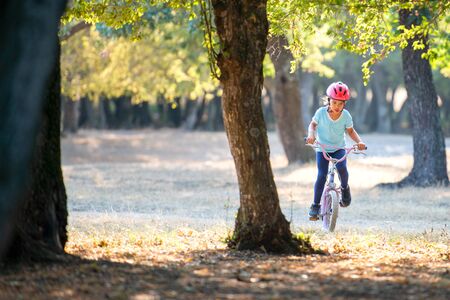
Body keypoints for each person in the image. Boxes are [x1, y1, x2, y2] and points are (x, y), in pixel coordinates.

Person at [305, 81, 366, 220]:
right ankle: (315, 205)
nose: (337, 106)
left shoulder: (346, 116)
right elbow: (312, 125)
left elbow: (351, 131)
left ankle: (345, 189)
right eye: (334, 102)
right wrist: (311, 135)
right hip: (322, 148)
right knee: (321, 175)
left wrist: (359, 142)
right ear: (328, 101)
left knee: (342, 169)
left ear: (344, 104)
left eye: (341, 103)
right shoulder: (320, 113)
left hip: (339, 148)